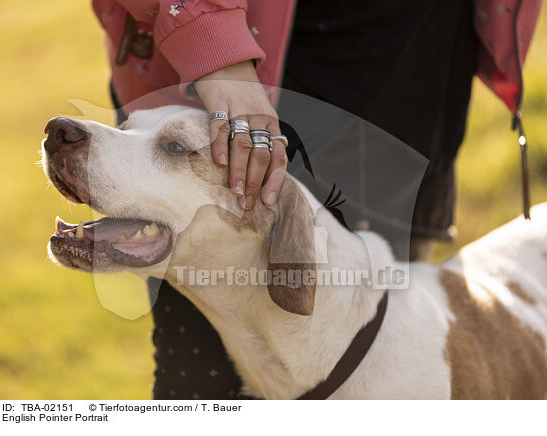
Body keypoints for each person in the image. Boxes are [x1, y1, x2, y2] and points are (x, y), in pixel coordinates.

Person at [93, 0, 541, 399]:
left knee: (391, 360)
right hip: (236, 69)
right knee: (198, 386)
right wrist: (218, 52)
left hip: (413, 68)